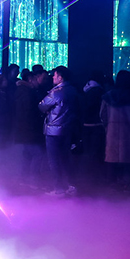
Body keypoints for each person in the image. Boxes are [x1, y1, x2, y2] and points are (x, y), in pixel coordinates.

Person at [100, 71, 130, 190]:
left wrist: (107, 127)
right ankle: (126, 183)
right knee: (128, 159)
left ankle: (112, 182)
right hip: (129, 131)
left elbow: (102, 114)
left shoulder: (108, 96)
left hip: (112, 130)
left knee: (112, 158)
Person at [39, 66, 79, 196]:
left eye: (55, 75)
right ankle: (70, 186)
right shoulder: (73, 90)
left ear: (60, 78)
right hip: (67, 129)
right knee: (65, 158)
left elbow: (42, 106)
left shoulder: (56, 93)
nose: (52, 77)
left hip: (53, 131)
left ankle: (58, 189)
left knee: (54, 160)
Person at [13, 70, 45, 189]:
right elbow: (28, 111)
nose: (38, 82)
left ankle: (23, 179)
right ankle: (33, 180)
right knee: (37, 154)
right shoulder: (28, 92)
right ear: (30, 80)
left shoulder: (21, 90)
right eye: (36, 79)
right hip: (29, 129)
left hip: (24, 129)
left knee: (27, 154)